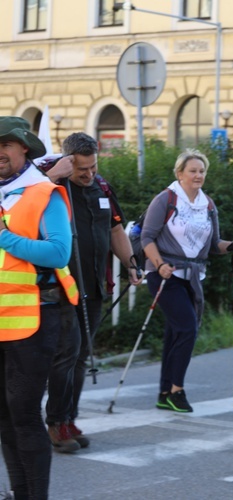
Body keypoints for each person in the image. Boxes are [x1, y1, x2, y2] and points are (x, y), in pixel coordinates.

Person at [42, 132, 142, 453]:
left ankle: (69, 417)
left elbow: (115, 229)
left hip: (96, 286)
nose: (88, 174)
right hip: (63, 287)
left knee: (81, 356)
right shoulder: (52, 186)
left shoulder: (103, 188)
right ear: (68, 161)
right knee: (65, 356)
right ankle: (56, 423)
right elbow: (23, 206)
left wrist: (130, 262)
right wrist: (52, 177)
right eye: (81, 169)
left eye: (93, 167)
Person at [0, 116, 77, 499]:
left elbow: (59, 251)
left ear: (23, 149)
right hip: (2, 322)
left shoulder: (42, 192)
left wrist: (4, 238)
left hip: (34, 321)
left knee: (26, 416)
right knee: (4, 419)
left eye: (5, 145)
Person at [140, 149, 233, 413]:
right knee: (187, 328)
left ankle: (164, 393)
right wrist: (160, 264)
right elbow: (147, 238)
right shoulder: (166, 199)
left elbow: (213, 245)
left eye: (202, 171)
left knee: (176, 332)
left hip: (193, 276)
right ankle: (177, 390)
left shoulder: (207, 205)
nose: (198, 175)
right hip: (164, 274)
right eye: (193, 171)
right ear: (180, 174)